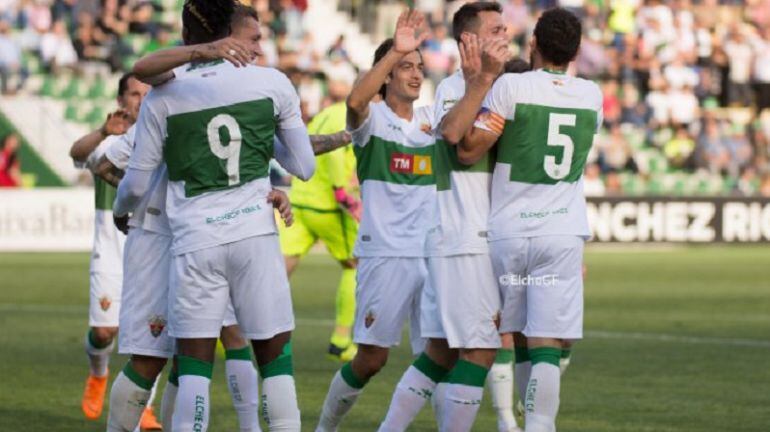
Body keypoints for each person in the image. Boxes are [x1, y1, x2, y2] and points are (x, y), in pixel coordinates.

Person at [114, 0, 314, 429]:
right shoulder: (271, 83)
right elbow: (304, 165)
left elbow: (132, 184)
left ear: (187, 36)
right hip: (254, 237)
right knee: (275, 360)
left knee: (194, 371)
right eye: (255, 38)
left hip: (195, 243)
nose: (259, 47)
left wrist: (120, 212)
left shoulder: (164, 96)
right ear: (230, 33)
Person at [442, 8, 603, 432]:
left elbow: (470, 149)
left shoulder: (511, 86)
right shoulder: (592, 95)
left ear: (533, 44)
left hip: (510, 235)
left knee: (510, 335)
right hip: (562, 233)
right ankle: (538, 426)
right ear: (577, 51)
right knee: (546, 343)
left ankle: (509, 420)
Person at [377, 4, 520, 432]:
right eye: (495, 29)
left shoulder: (501, 84)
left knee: (439, 351)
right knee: (479, 351)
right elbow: (457, 136)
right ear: (469, 42)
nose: (505, 33)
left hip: (468, 236)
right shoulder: (457, 87)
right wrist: (483, 81)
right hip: (465, 237)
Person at [315, 10, 436, 432]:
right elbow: (354, 102)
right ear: (386, 74)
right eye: (406, 66)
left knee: (441, 354)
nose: (416, 74)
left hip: (433, 255)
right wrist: (392, 52)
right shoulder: (372, 122)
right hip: (387, 255)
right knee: (371, 359)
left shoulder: (432, 122)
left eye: (419, 66)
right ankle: (325, 427)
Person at [68, 72, 159, 428]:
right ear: (122, 100)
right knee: (104, 332)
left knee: (150, 334)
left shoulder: (161, 134)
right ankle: (98, 373)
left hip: (150, 248)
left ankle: (146, 405)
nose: (140, 100)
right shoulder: (110, 142)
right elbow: (77, 153)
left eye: (145, 93)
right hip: (111, 252)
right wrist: (104, 131)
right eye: (134, 94)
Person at [279, 76, 361, 363]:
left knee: (277, 271)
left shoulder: (327, 112)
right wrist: (348, 200)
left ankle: (229, 331)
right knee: (354, 264)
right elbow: (338, 157)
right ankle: (341, 340)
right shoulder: (350, 117)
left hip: (300, 199)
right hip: (328, 205)